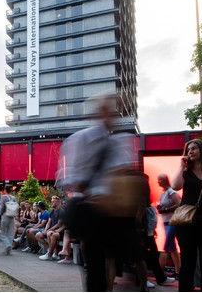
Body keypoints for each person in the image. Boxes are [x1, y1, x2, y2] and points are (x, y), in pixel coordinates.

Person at [57, 95, 140, 292]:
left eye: (111, 111)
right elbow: (70, 176)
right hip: (92, 210)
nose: (108, 115)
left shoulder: (120, 142)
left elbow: (125, 175)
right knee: (94, 265)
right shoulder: (81, 139)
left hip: (116, 213)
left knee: (119, 259)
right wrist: (92, 194)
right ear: (95, 113)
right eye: (104, 110)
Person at [172, 138, 202, 292]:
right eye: (188, 150)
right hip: (187, 224)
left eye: (194, 149)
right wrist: (181, 166)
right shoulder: (185, 171)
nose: (190, 152)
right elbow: (175, 185)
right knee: (187, 263)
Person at [157, 174, 181, 280]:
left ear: (165, 180)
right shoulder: (163, 193)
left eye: (160, 179)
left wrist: (166, 209)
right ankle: (178, 271)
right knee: (172, 248)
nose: (158, 182)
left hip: (172, 222)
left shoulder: (171, 192)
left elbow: (179, 204)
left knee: (167, 247)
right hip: (166, 222)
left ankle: (160, 273)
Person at [0, 184, 18, 255]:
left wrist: (0, 214)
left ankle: (7, 245)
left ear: (4, 190)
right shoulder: (14, 198)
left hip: (5, 216)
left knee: (3, 232)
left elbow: (2, 208)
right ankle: (9, 250)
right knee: (10, 233)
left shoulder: (3, 198)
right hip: (12, 217)